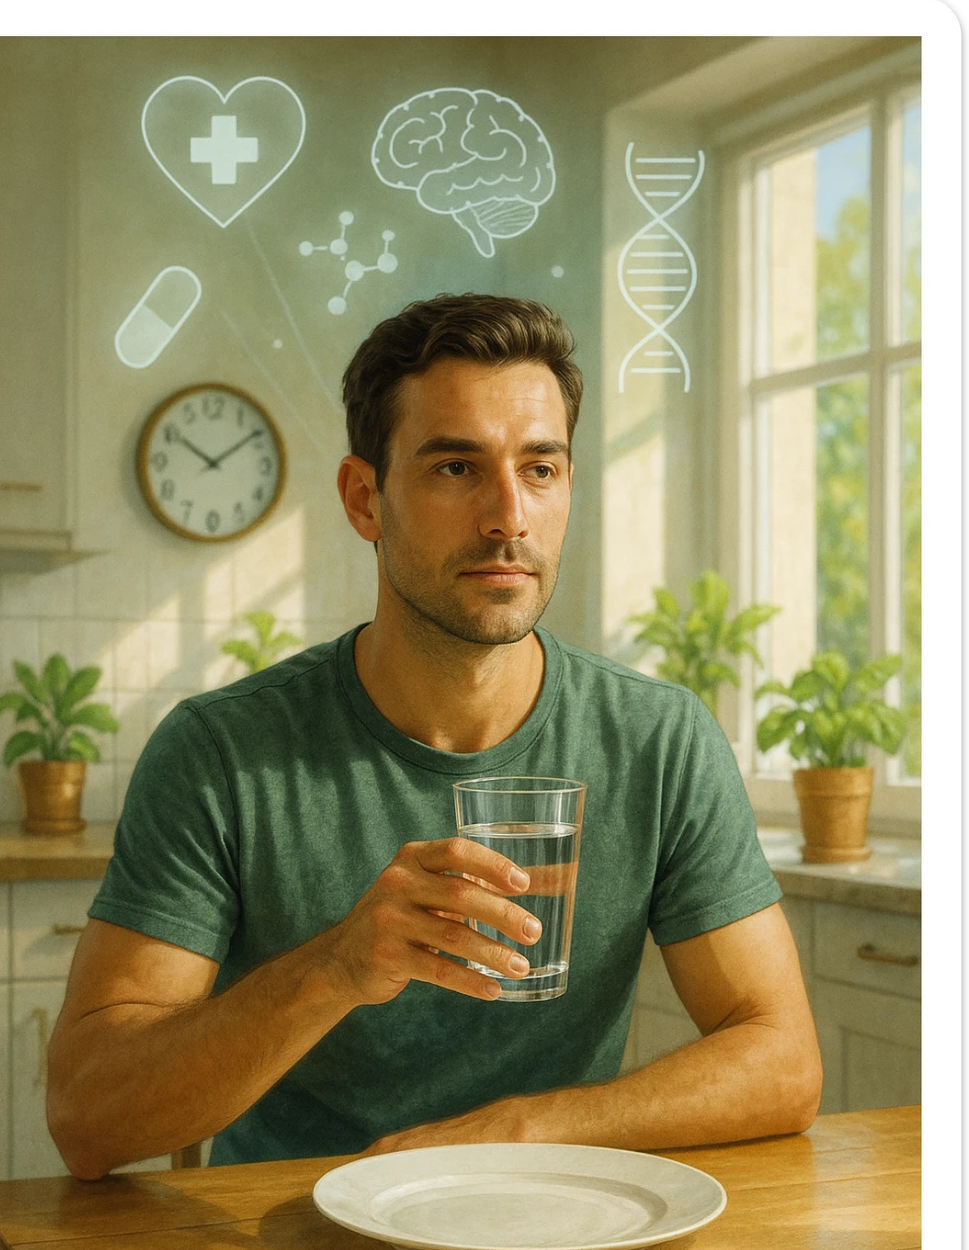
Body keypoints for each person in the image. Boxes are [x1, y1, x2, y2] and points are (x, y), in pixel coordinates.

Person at [47, 294, 822, 1180]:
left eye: (540, 469)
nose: (508, 516)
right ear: (364, 498)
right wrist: (337, 966)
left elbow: (783, 1061)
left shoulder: (660, 740)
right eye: (457, 468)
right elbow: (86, 1116)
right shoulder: (222, 754)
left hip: (564, 1236)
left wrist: (525, 1132)